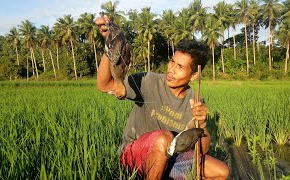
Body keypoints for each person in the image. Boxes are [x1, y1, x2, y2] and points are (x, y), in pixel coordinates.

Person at [95, 16, 229, 180]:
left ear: (194, 75)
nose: (171, 70)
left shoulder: (194, 99)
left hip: (170, 157)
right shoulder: (149, 81)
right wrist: (110, 48)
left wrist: (202, 124)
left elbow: (202, 150)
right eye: (172, 62)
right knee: (164, 138)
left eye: (179, 67)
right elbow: (105, 85)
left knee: (221, 172)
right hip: (134, 154)